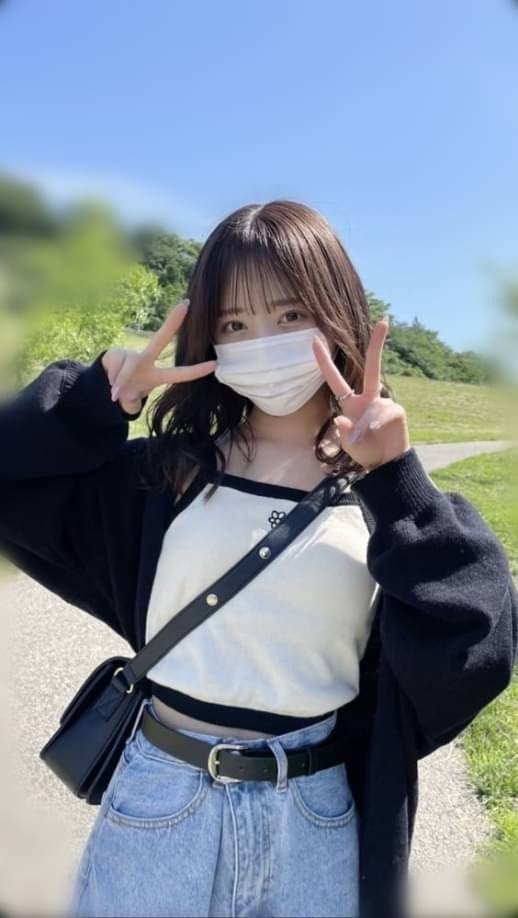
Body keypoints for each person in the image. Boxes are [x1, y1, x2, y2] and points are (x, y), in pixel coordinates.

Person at [0, 199, 516, 918]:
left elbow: (478, 644)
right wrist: (95, 402)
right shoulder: (170, 472)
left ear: (336, 313)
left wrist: (396, 481)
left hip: (312, 810)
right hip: (160, 797)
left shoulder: (379, 494)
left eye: (290, 315)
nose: (263, 343)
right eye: (234, 324)